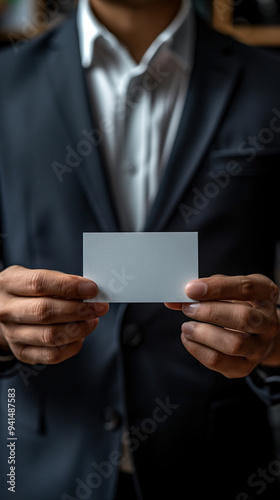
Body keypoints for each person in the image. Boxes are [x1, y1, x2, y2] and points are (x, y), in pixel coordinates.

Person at [0, 0, 280, 499]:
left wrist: (275, 344)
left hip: (219, 470)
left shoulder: (269, 83)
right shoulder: (5, 83)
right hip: (40, 466)